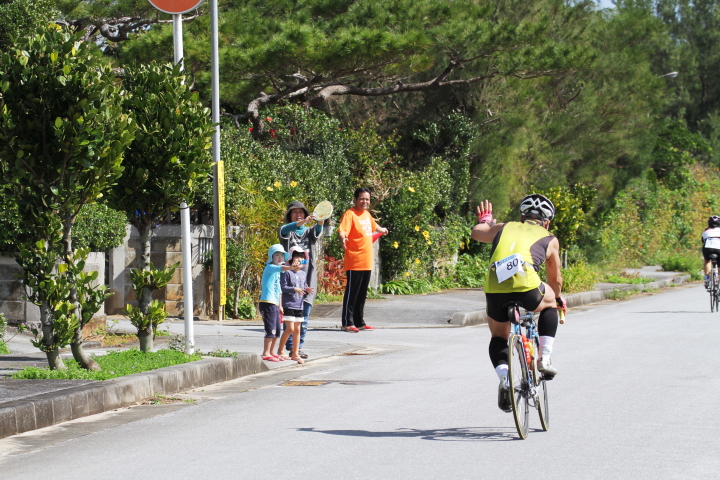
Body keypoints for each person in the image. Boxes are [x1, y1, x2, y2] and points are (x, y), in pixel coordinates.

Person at [470, 194, 567, 413]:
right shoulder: (550, 238)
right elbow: (555, 279)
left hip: (495, 284)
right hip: (528, 286)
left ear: (522, 216)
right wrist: (558, 298)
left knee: (498, 337)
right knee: (551, 303)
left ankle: (505, 378)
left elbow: (477, 233)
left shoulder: (504, 227)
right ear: (547, 221)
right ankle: (545, 357)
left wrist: (486, 220)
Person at [337, 187, 388, 332]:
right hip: (354, 260)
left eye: (367, 199)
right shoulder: (350, 214)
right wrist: (343, 238)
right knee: (352, 294)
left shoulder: (366, 214)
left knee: (361, 294)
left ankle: (359, 322)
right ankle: (347, 322)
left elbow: (374, 225)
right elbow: (342, 230)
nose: (365, 201)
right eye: (362, 199)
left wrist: (382, 230)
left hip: (366, 261)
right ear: (355, 200)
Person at [279, 200, 324, 358]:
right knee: (291, 317)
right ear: (290, 215)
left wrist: (321, 219)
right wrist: (302, 222)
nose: (298, 215)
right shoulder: (287, 232)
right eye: (294, 212)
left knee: (304, 318)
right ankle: (290, 348)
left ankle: (298, 348)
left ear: (305, 214)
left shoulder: (309, 232)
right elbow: (285, 229)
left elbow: (318, 229)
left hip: (307, 277)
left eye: (301, 212)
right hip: (290, 279)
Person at [259, 244, 300, 362]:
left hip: (275, 304)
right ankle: (266, 353)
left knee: (277, 329)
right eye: (277, 255)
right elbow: (282, 268)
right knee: (270, 329)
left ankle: (272, 351)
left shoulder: (278, 271)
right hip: (267, 302)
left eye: (282, 255)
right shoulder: (270, 267)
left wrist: (280, 305)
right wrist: (291, 267)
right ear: (271, 257)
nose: (280, 257)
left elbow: (279, 291)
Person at [277, 246, 314, 364]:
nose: (299, 259)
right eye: (297, 256)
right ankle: (280, 350)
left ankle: (295, 353)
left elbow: (303, 287)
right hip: (288, 304)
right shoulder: (287, 272)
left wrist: (306, 289)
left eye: (301, 257)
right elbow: (283, 287)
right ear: (292, 258)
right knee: (290, 328)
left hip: (299, 305)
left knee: (298, 330)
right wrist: (295, 289)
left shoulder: (303, 274)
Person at [701, 215, 720, 289]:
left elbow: (703, 241)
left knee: (707, 261)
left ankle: (707, 279)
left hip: (708, 248)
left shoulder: (705, 231)